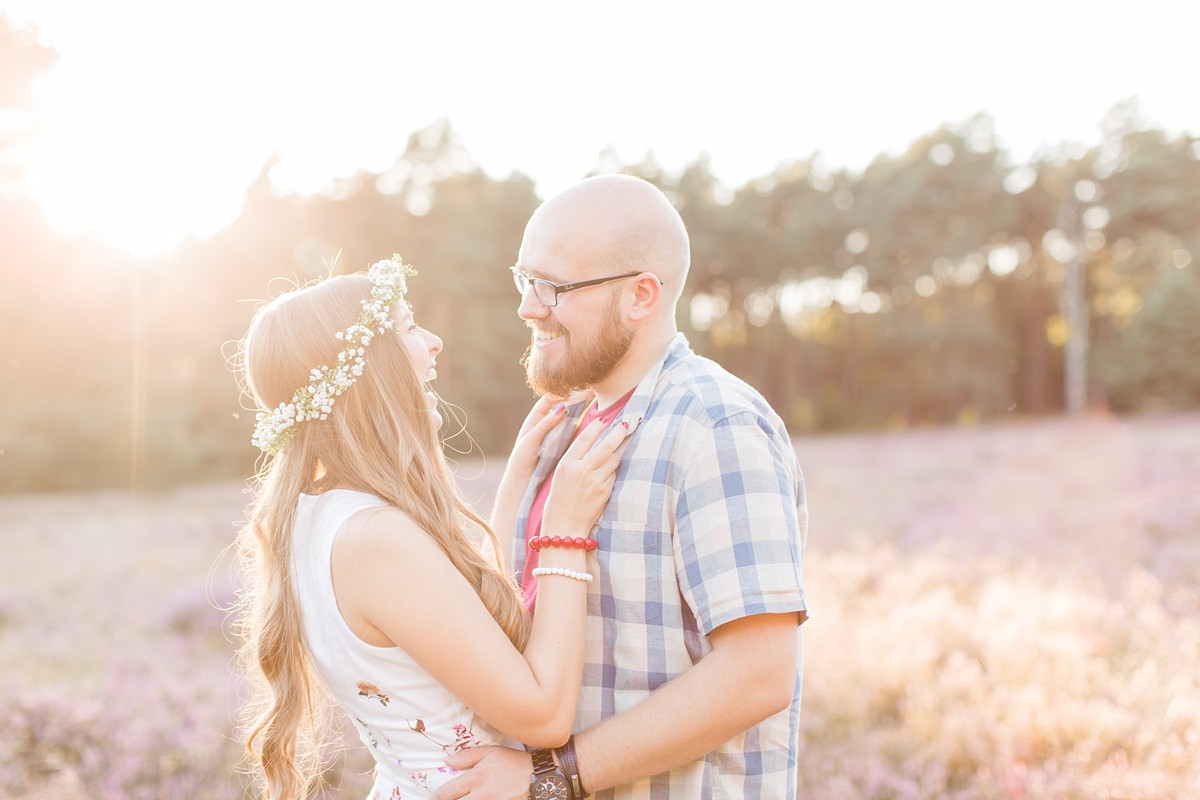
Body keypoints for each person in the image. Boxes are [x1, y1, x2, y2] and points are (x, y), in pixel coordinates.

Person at [436, 175, 810, 800]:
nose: (529, 306)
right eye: (524, 279)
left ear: (641, 295)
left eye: (552, 286)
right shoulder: (565, 430)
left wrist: (550, 776)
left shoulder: (714, 426)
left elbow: (759, 674)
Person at [233, 255, 633, 800]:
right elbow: (542, 719)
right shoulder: (376, 539)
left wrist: (518, 483)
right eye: (409, 327)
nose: (435, 341)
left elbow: (457, 626)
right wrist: (565, 528)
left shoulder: (316, 517)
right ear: (369, 370)